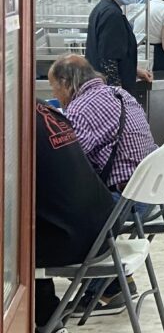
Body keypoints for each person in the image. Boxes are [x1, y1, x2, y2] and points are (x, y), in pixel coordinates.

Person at [34, 100, 116, 332]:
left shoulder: (13, 121)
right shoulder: (44, 109)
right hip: (105, 228)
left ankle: (46, 319)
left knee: (15, 245)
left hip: (72, 240)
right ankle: (49, 320)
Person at [48, 55, 157, 194]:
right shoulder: (121, 94)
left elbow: (67, 159)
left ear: (64, 83)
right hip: (152, 192)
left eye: (53, 86)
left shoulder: (80, 110)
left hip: (126, 201)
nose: (53, 94)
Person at [85, 0, 152, 94]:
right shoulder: (112, 14)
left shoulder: (103, 8)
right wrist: (116, 94)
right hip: (109, 89)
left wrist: (134, 70)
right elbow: (109, 59)